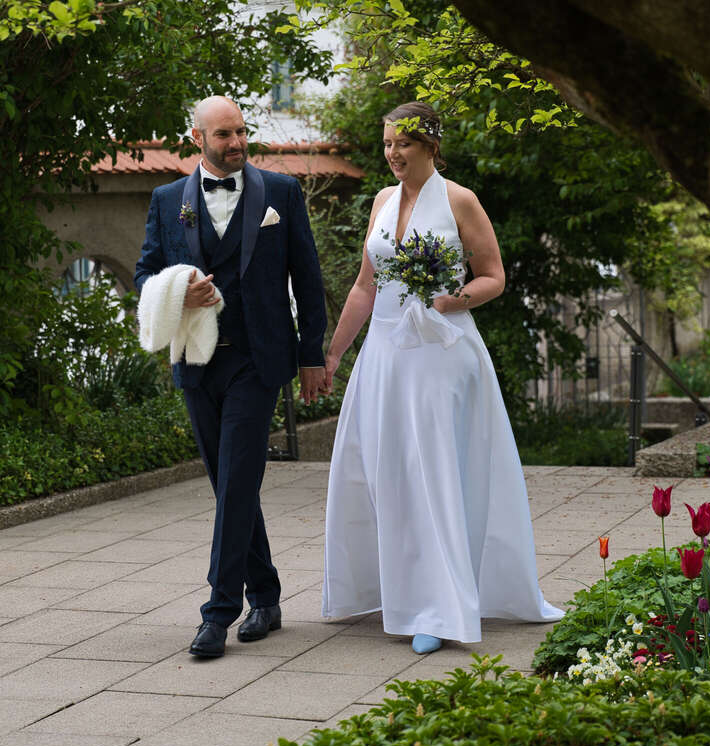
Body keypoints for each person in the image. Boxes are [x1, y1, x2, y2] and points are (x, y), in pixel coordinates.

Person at [320, 102, 563, 654]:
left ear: (430, 146)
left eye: (403, 143)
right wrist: (334, 353)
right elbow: (365, 286)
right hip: (385, 352)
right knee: (384, 473)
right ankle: (388, 587)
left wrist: (453, 300)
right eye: (387, 144)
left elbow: (494, 277)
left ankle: (438, 606)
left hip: (440, 352)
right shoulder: (382, 201)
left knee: (431, 473)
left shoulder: (460, 200)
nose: (392, 154)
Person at [135, 96, 327, 658]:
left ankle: (218, 612)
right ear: (198, 138)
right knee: (230, 483)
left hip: (258, 359)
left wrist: (311, 353)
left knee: (239, 476)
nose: (238, 142)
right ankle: (265, 595)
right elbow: (146, 272)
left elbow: (307, 278)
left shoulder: (281, 195)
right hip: (195, 359)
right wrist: (176, 288)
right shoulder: (168, 199)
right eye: (224, 135)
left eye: (242, 131)